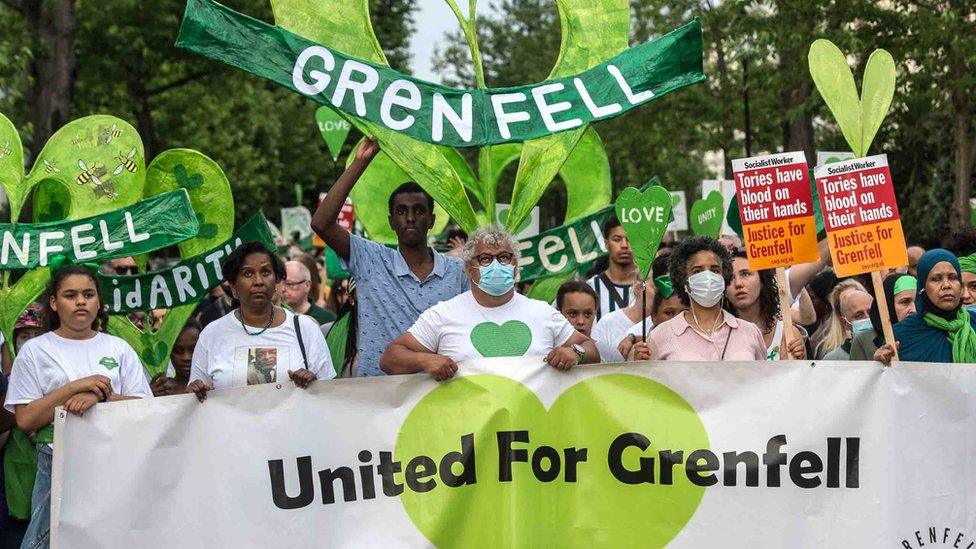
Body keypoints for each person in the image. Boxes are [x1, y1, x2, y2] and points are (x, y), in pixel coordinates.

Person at [5, 264, 153, 549]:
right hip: (55, 463)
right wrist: (73, 388)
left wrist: (100, 397)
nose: (81, 301)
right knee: (50, 541)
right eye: (70, 295)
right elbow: (25, 420)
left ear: (99, 302)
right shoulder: (35, 351)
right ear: (54, 303)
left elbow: (145, 408)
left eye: (88, 294)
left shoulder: (118, 348)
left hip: (113, 462)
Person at [311, 137, 469, 377]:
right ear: (391, 221)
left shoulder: (457, 272)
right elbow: (321, 224)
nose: (410, 217)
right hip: (380, 399)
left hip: (440, 393)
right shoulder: (370, 259)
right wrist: (360, 163)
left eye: (419, 210)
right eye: (401, 211)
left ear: (432, 221)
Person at [380, 227, 599, 380]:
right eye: (485, 259)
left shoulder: (542, 312)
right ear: (468, 268)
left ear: (515, 265)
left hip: (533, 438)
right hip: (467, 440)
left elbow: (590, 349)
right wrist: (424, 360)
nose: (496, 264)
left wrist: (575, 353)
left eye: (504, 257)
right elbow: (391, 358)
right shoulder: (443, 314)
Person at [186, 242, 334, 401]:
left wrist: (313, 383)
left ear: (276, 281)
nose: (258, 281)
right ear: (233, 285)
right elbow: (197, 398)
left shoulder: (306, 329)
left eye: (265, 272)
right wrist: (195, 391)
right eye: (248, 274)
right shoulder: (212, 334)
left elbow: (328, 396)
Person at [632, 236, 766, 361]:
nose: (707, 277)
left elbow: (764, 381)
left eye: (715, 270)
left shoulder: (750, 332)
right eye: (697, 271)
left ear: (724, 276)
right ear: (683, 278)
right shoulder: (661, 335)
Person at [876, 249, 976, 365]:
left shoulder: (973, 321)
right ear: (923, 286)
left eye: (952, 277)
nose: (947, 285)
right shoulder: (900, 336)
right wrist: (881, 364)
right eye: (936, 279)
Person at [725, 249, 807, 360]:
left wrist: (799, 363)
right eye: (730, 278)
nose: (738, 284)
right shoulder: (720, 336)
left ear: (762, 281)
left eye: (745, 274)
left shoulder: (787, 334)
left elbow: (801, 376)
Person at [617, 274, 687, 360]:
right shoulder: (643, 349)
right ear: (654, 316)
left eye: (684, 313)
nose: (677, 318)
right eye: (669, 313)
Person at [850, 274, 916, 360]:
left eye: (917, 301)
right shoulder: (864, 340)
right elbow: (858, 373)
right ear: (888, 305)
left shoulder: (932, 333)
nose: (914, 310)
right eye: (905, 302)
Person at [586, 215, 638, 321]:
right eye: (617, 239)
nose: (624, 245)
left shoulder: (649, 288)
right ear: (606, 244)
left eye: (631, 239)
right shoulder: (590, 288)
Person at [812, 280, 869, 359]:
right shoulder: (830, 354)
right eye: (858, 315)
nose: (867, 318)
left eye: (855, 295)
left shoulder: (888, 340)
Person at [148, 320, 201, 397]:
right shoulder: (161, 390)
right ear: (169, 353)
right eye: (178, 351)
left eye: (193, 350)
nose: (186, 358)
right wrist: (148, 396)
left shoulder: (212, 385)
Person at [281, 260, 335, 325]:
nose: (283, 289)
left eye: (289, 284)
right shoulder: (274, 317)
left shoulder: (326, 319)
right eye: (280, 283)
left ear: (307, 285)